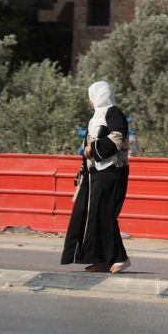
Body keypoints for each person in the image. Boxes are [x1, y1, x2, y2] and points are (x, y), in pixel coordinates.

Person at [61, 81, 132, 273]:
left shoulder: (113, 113)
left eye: (92, 96)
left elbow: (117, 137)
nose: (90, 101)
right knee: (90, 216)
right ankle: (101, 259)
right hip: (95, 174)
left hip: (111, 172)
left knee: (105, 215)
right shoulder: (96, 118)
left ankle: (120, 257)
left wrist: (93, 149)